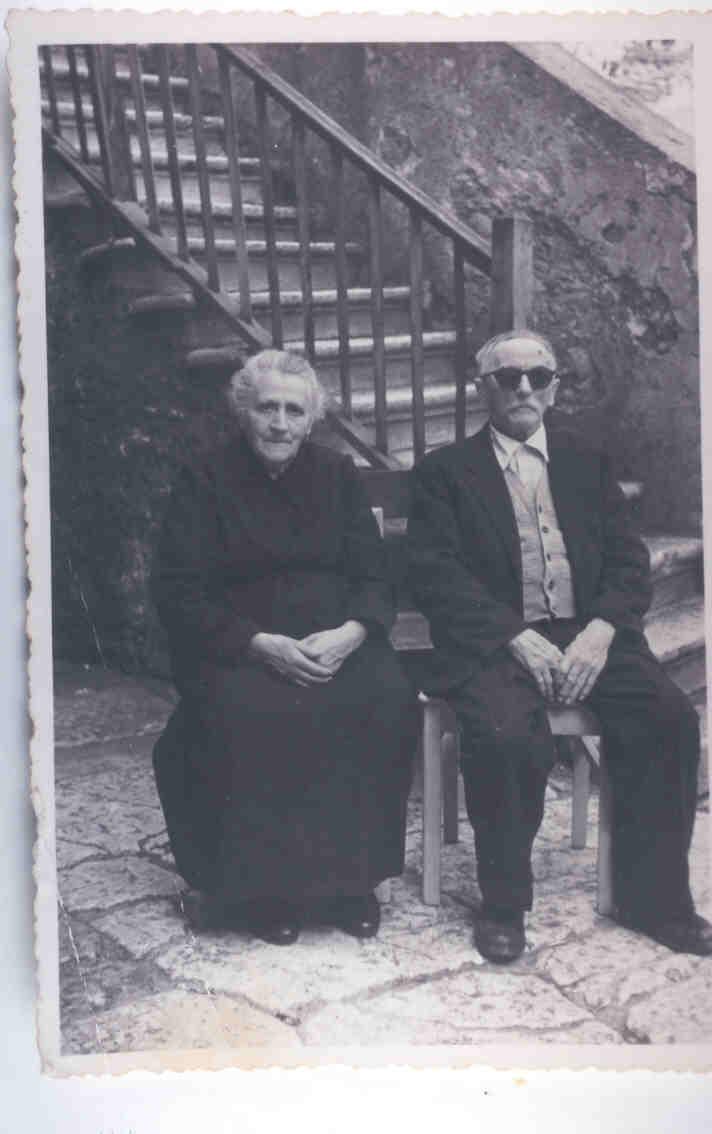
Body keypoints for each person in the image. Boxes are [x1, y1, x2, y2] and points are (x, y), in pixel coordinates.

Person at [408, 328, 712, 963]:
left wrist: (602, 630)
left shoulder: (586, 462)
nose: (524, 387)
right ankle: (504, 904)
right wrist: (512, 636)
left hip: (589, 633)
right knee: (505, 735)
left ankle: (654, 901)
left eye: (538, 377)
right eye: (508, 377)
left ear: (553, 388)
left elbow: (629, 563)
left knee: (669, 719)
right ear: (482, 388)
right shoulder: (444, 473)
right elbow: (435, 576)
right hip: (493, 641)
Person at [152, 349, 417, 945]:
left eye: (294, 411)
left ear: (311, 419)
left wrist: (354, 633)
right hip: (239, 643)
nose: (279, 423)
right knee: (253, 713)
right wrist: (257, 644)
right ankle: (265, 891)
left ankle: (352, 883)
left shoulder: (337, 474)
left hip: (333, 641)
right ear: (242, 411)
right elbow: (178, 589)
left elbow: (376, 576)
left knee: (385, 698)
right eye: (267, 408)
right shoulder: (204, 478)